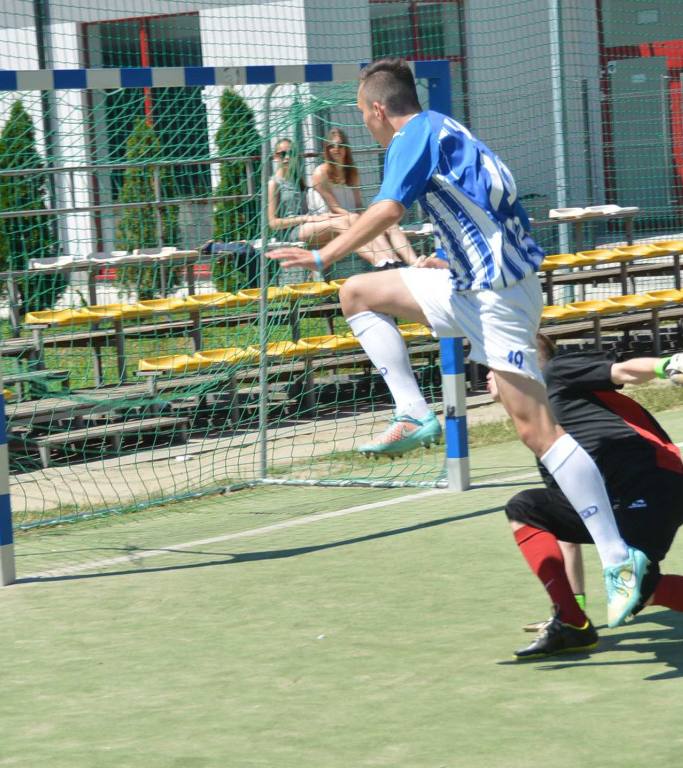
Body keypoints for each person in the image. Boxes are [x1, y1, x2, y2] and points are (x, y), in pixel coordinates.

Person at [268, 56, 646, 628]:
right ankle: (414, 412)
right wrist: (451, 253)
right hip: (471, 283)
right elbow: (487, 203)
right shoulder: (448, 128)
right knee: (359, 294)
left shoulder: (411, 135)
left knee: (536, 431)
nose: (367, 130)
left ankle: (620, 559)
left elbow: (390, 209)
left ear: (376, 109)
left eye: (363, 117)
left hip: (497, 295)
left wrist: (321, 254)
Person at [497, 336, 683, 660]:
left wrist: (666, 365)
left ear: (518, 363)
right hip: (614, 503)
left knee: (637, 587)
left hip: (651, 482)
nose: (487, 374)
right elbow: (571, 527)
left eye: (491, 366)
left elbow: (623, 371)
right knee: (528, 509)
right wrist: (574, 606)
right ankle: (572, 625)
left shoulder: (556, 372)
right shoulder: (544, 435)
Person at [267, 138, 400, 271]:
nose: (288, 157)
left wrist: (320, 217)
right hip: (291, 231)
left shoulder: (297, 180)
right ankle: (380, 262)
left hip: (308, 224)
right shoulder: (274, 183)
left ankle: (391, 258)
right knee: (341, 224)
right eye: (283, 154)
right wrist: (306, 218)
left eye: (292, 153)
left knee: (353, 219)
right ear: (275, 157)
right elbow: (273, 223)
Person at [309, 128, 418, 268]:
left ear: (346, 148)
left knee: (390, 224)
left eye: (340, 145)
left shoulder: (351, 172)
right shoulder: (320, 173)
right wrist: (361, 219)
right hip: (332, 221)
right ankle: (387, 261)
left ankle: (411, 262)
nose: (336, 149)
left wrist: (368, 217)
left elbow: (359, 204)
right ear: (326, 149)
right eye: (331, 146)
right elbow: (334, 208)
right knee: (363, 223)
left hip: (353, 218)